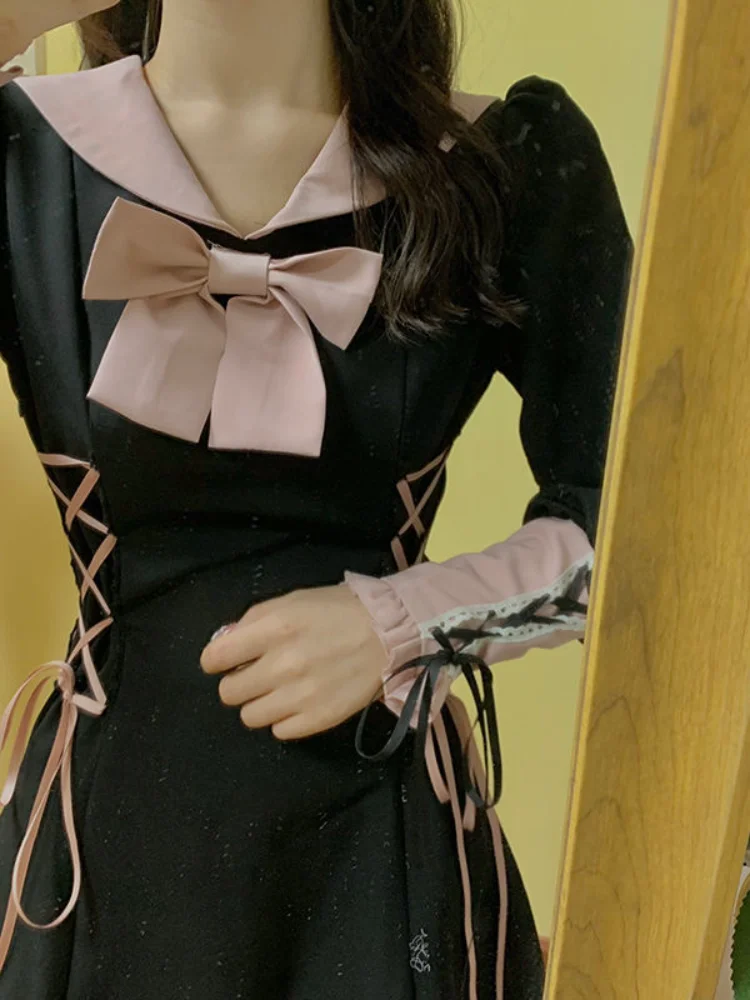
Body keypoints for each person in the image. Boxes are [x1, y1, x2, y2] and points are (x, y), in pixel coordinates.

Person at [0, 0, 632, 996]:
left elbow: (652, 536)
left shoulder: (505, 166)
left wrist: (416, 622)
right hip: (100, 871)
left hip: (381, 872)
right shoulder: (26, 155)